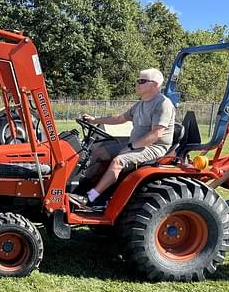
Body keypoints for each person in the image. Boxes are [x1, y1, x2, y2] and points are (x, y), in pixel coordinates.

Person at [69, 68, 176, 208]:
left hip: (154, 147)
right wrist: (94, 120)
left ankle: (90, 198)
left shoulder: (163, 104)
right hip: (135, 144)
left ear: (154, 85)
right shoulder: (141, 104)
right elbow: (120, 118)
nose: (137, 84)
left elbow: (157, 134)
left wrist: (131, 147)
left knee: (118, 161)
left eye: (141, 81)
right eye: (138, 80)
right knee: (97, 152)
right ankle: (80, 189)